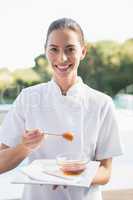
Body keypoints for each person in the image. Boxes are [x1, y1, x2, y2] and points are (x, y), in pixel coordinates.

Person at [0, 18, 123, 200]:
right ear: (45, 52)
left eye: (70, 49)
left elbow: (105, 172)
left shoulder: (102, 103)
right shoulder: (27, 98)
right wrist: (25, 147)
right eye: (54, 49)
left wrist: (73, 177)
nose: (62, 58)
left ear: (83, 51)